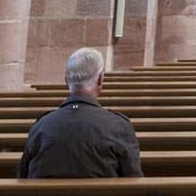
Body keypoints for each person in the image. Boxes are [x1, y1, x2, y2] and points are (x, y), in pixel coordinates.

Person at [16, 47, 142, 178]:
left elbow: (23, 176)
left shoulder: (41, 126)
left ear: (66, 81)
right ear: (100, 80)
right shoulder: (119, 126)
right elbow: (134, 180)